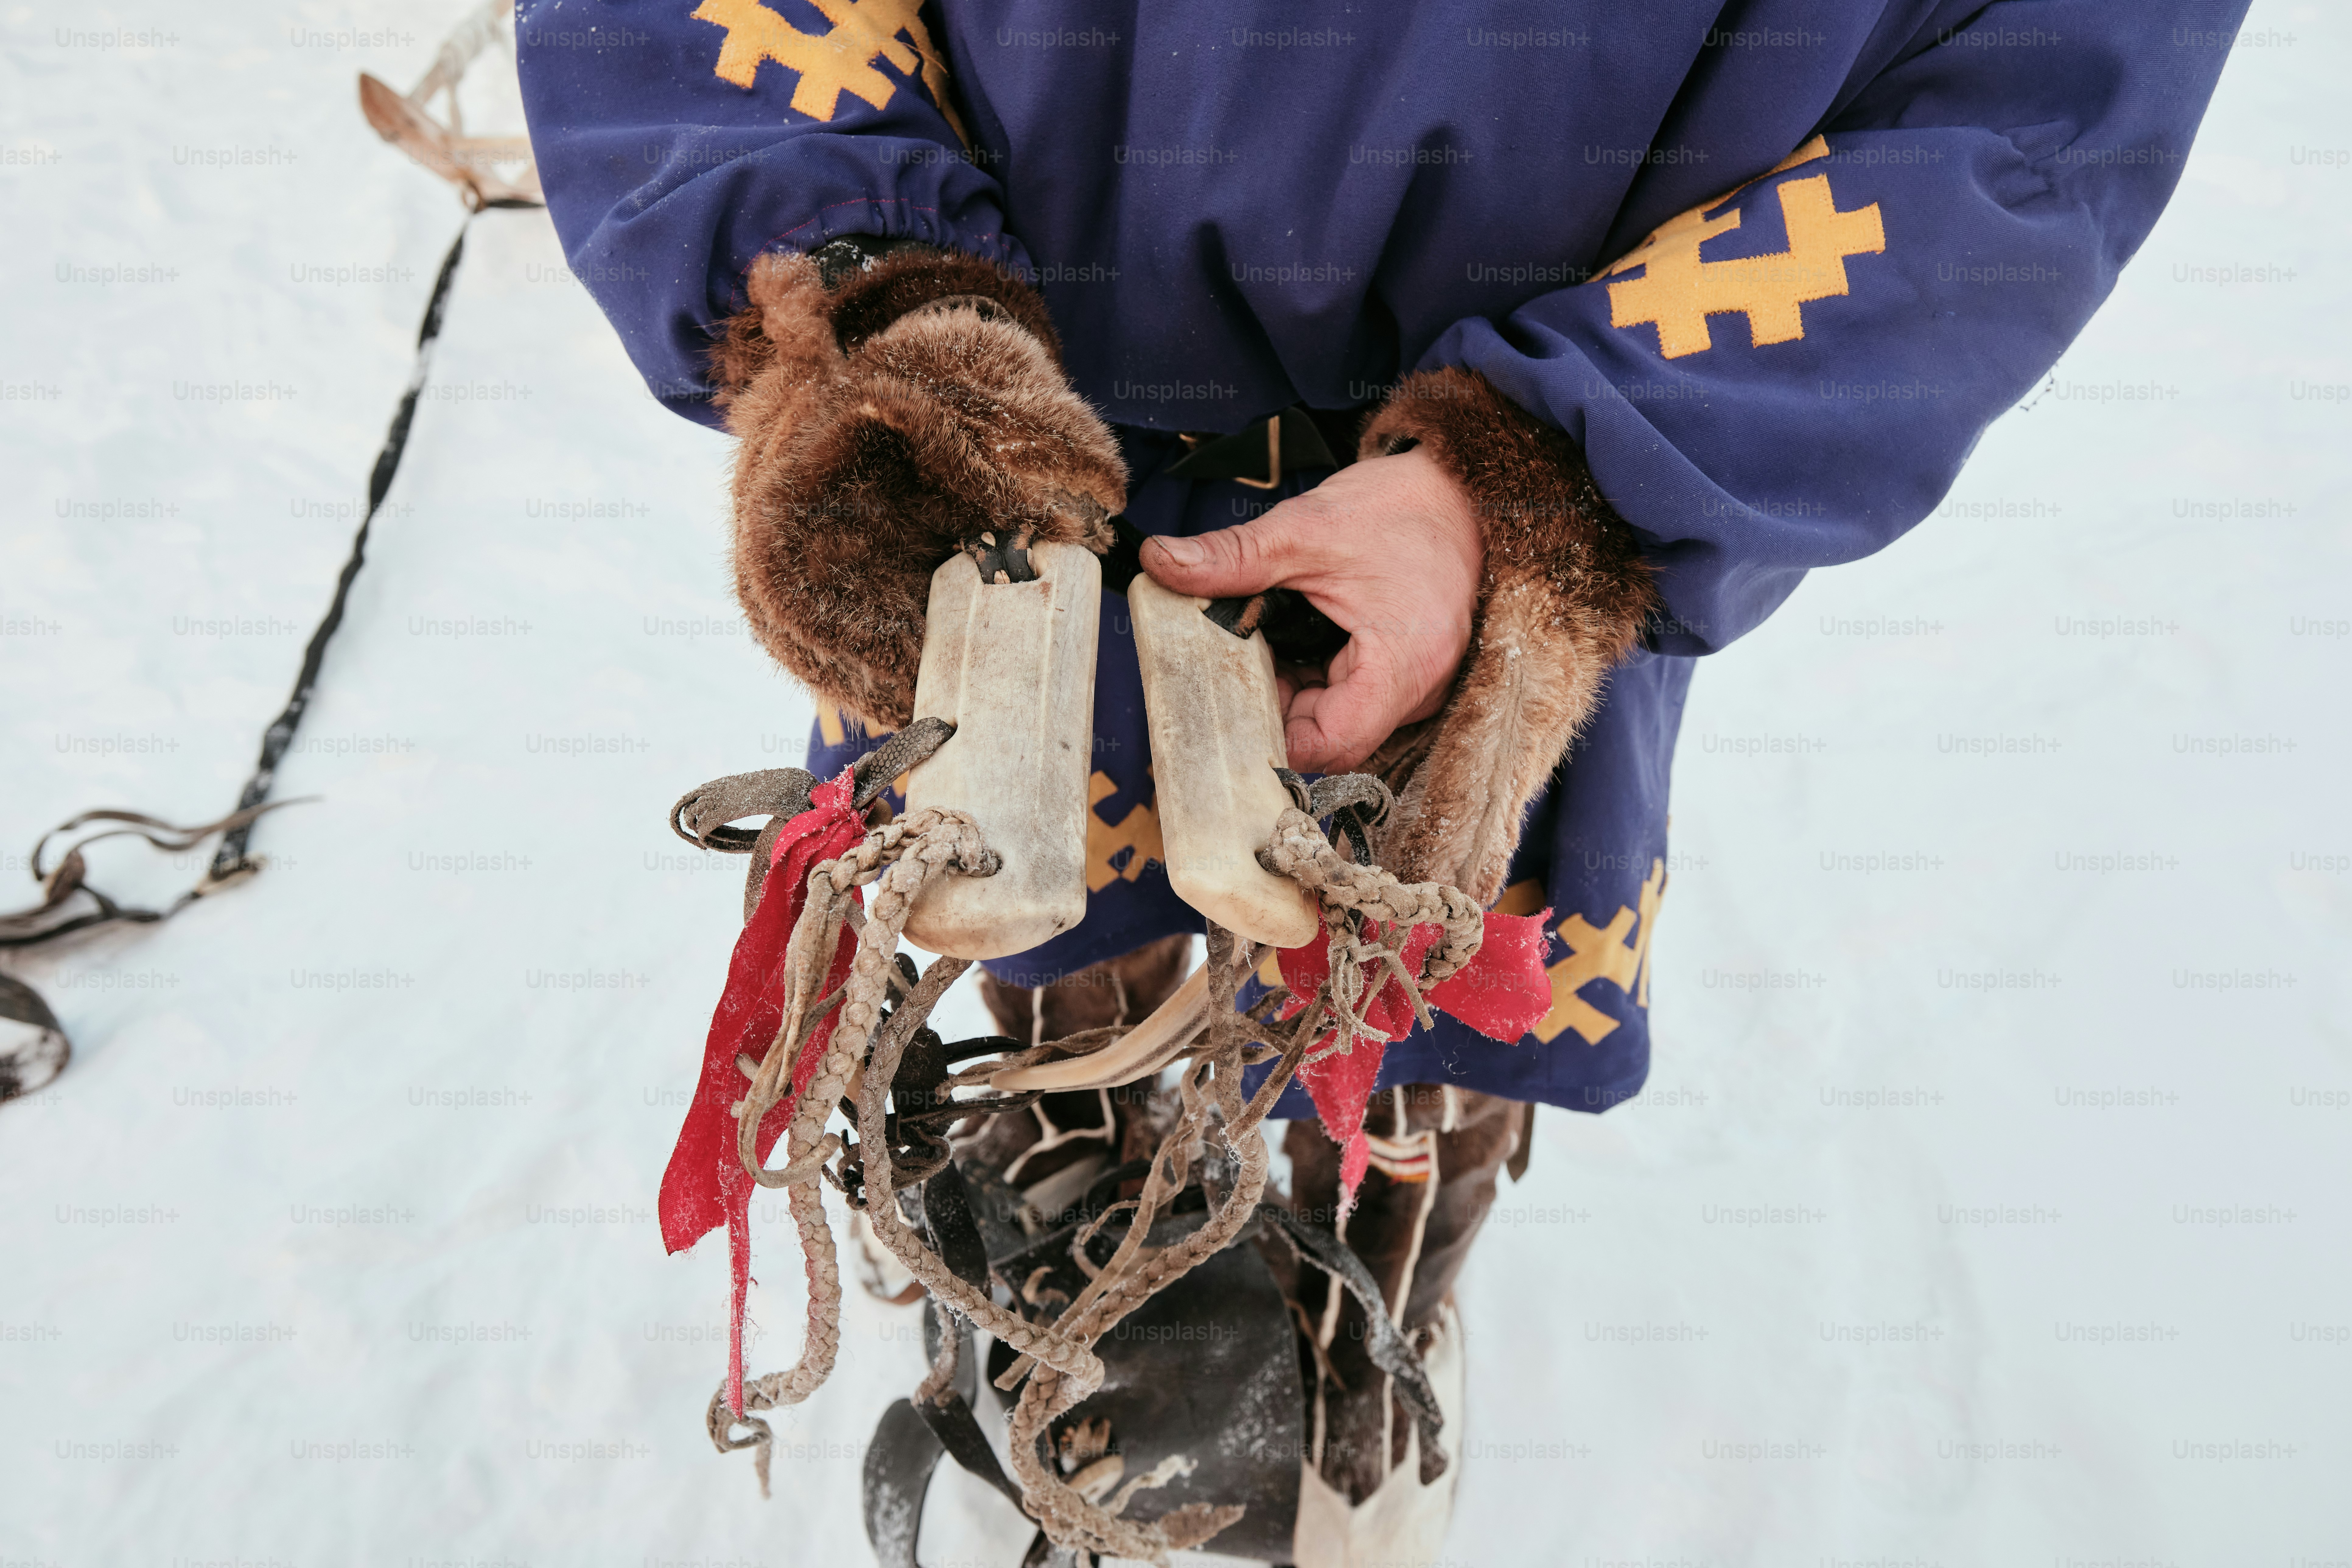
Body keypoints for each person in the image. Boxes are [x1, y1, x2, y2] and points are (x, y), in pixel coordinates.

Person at [518, 2, 2248, 1558]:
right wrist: (868, 296)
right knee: (1029, 908)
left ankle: (1371, 1302)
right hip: (1023, 441)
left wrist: (1570, 467)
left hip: (1521, 473)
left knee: (1419, 959)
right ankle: (1065, 1235)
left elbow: (2038, 107)